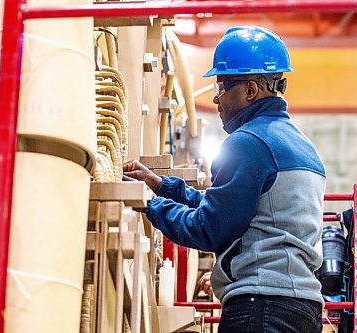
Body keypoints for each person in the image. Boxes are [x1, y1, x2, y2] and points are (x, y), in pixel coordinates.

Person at [123, 26, 325, 333]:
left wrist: (151, 205)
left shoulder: (247, 143)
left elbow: (209, 229)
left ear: (250, 90)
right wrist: (162, 186)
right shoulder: (300, 147)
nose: (216, 99)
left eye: (221, 86)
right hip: (301, 309)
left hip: (260, 308)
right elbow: (233, 208)